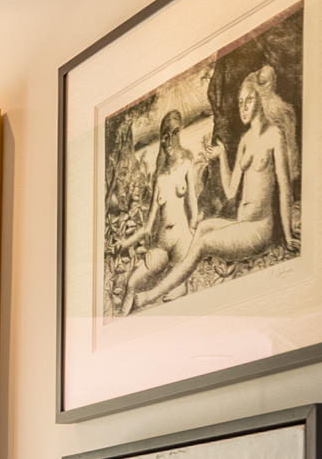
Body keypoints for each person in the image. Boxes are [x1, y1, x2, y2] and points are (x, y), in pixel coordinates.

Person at [130, 66, 300, 309]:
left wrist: (289, 233)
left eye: (248, 100)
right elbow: (231, 191)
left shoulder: (274, 135)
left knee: (202, 244)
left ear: (260, 100)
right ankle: (179, 284)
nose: (242, 107)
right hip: (242, 223)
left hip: (259, 229)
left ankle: (151, 295)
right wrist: (221, 157)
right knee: (203, 226)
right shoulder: (244, 141)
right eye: (240, 101)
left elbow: (284, 188)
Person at [115, 110, 203, 315]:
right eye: (165, 136)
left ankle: (179, 284)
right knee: (132, 282)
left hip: (182, 239)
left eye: (174, 133)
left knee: (177, 285)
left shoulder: (187, 165)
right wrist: (125, 243)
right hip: (162, 245)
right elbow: (148, 226)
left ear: (179, 134)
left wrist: (194, 232)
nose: (170, 141)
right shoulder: (159, 177)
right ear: (161, 139)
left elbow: (193, 205)